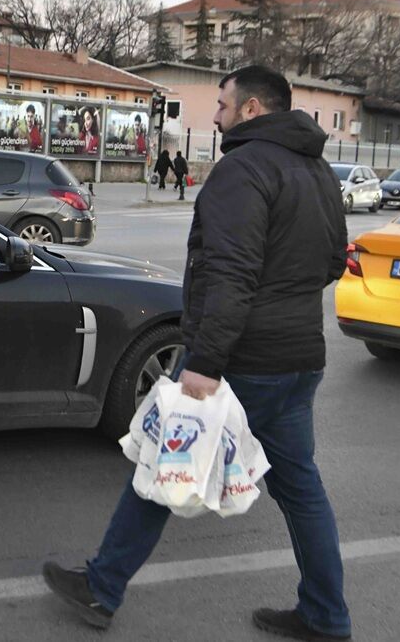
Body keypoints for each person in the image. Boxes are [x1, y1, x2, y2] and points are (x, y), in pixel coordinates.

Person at [42, 65, 351, 641]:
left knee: (162, 463)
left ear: (253, 109)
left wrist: (205, 362)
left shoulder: (242, 170)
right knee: (301, 488)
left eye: (223, 104)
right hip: (300, 356)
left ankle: (102, 587)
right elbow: (333, 261)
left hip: (237, 359)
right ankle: (327, 615)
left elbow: (231, 273)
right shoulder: (319, 171)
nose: (214, 115)